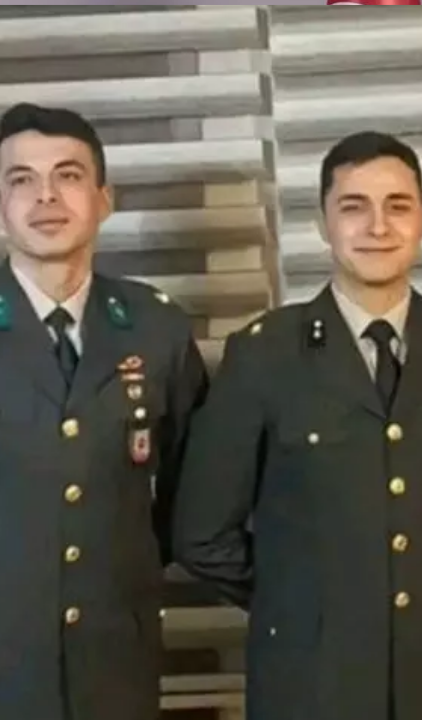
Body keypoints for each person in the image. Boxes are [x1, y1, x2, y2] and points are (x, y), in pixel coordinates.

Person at [172, 131, 422, 720]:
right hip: (312, 678)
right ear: (322, 223)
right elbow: (201, 531)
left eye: (398, 205)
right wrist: (301, 599)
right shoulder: (264, 353)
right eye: (353, 206)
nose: (378, 226)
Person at [0, 103, 208, 720]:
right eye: (21, 179)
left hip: (116, 658)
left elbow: (192, 490)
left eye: (67, 175)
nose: (46, 197)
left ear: (104, 199)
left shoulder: (155, 326)